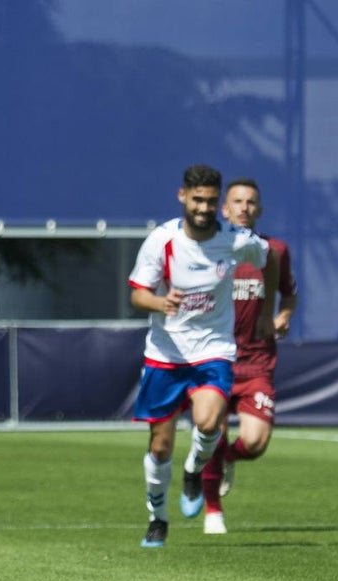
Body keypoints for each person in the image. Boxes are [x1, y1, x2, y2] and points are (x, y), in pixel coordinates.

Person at [128, 164, 277, 548]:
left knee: (209, 422)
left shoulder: (235, 239)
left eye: (211, 201)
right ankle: (157, 519)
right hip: (165, 353)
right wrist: (161, 302)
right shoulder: (161, 240)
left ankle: (194, 470)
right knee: (160, 446)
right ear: (183, 197)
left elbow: (269, 257)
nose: (204, 208)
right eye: (197, 200)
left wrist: (265, 311)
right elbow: (137, 294)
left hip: (213, 349)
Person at [200, 179, 298, 535]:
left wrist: (283, 316)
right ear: (224, 209)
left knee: (255, 442)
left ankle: (226, 459)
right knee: (212, 431)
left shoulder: (275, 251)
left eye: (251, 202)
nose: (244, 207)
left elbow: (288, 295)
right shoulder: (210, 250)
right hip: (216, 357)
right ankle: (213, 511)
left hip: (258, 361)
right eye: (237, 201)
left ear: (260, 209)